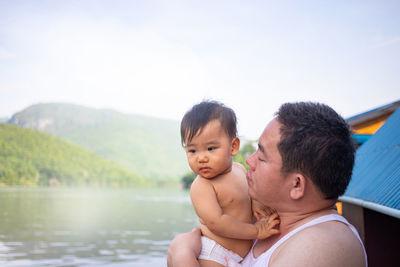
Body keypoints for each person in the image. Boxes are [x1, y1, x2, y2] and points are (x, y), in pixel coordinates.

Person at [168, 102, 368, 267]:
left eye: (262, 157)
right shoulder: (270, 216)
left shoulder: (321, 247)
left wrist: (181, 256)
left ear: (297, 185)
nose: (249, 161)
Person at [179, 100, 280, 267]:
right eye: (192, 150)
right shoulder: (202, 186)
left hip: (242, 255)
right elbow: (216, 223)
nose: (201, 158)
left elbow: (249, 192)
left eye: (211, 148)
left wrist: (254, 203)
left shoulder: (239, 169)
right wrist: (256, 231)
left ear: (233, 147)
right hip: (215, 253)